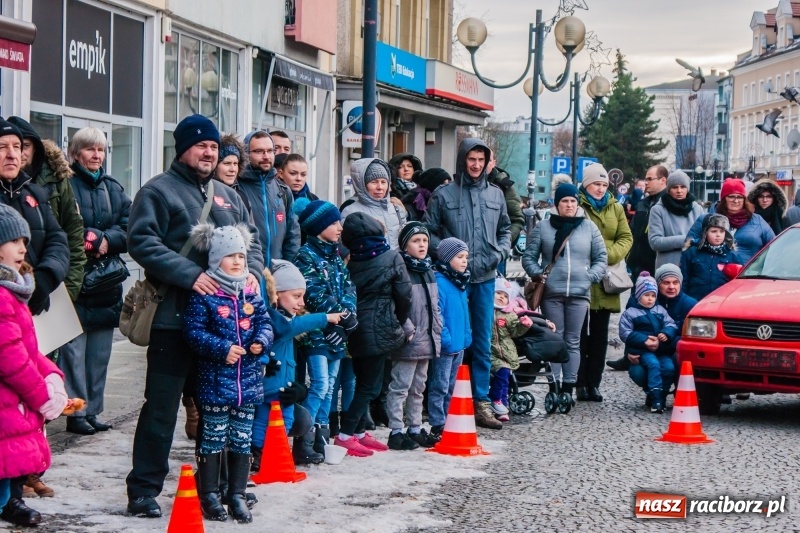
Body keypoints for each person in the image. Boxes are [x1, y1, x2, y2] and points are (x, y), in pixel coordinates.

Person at [125, 115, 263, 519]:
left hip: (222, 327)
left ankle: (215, 490)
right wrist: (192, 275)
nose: (208, 153)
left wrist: (254, 274)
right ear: (182, 148)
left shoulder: (229, 194)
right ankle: (143, 490)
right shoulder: (157, 191)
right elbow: (141, 242)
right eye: (201, 145)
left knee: (216, 410)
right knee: (161, 409)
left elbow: (251, 242)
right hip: (172, 320)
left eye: (214, 147)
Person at [183, 223, 273, 524]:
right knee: (213, 436)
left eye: (241, 256)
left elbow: (265, 323)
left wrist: (261, 341)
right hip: (215, 383)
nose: (237, 262)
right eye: (230, 256)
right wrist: (222, 349)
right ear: (215, 258)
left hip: (247, 383)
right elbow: (194, 332)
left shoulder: (250, 292)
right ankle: (209, 493)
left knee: (241, 438)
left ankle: (236, 493)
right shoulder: (206, 293)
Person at [423, 138, 511, 429]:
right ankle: (444, 401)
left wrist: (500, 252)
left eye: (481, 160)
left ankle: (481, 401)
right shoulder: (443, 195)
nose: (476, 165)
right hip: (452, 282)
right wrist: (448, 254)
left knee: (483, 342)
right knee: (452, 341)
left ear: (487, 163)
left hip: (485, 277)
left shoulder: (496, 194)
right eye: (471, 159)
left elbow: (506, 229)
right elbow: (428, 232)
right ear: (462, 160)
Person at [58, 127, 131, 437]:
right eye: (90, 149)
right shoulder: (64, 185)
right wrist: (84, 239)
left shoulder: (113, 188)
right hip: (74, 280)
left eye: (101, 150)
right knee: (73, 354)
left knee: (99, 355)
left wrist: (105, 239)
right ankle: (75, 413)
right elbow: (58, 227)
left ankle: (93, 410)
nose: (96, 155)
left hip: (105, 283)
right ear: (76, 154)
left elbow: (129, 227)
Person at [0, 205, 68, 528]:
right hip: (7, 393)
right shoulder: (2, 297)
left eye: (24, 241)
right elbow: (10, 359)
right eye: (14, 241)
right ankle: (7, 502)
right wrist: (41, 395)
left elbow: (27, 348)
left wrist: (52, 374)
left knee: (11, 450)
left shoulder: (13, 290)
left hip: (13, 396)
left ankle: (10, 499)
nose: (23, 249)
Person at [334, 212, 412, 456]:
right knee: (369, 387)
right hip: (380, 329)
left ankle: (358, 432)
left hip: (356, 329)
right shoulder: (392, 257)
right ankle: (346, 434)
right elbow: (404, 295)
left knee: (362, 382)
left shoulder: (350, 261)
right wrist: (399, 322)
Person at [250, 260, 342, 467]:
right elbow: (293, 327)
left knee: (272, 420)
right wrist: (325, 318)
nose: (301, 303)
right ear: (277, 294)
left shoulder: (281, 319)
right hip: (274, 385)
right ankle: (264, 453)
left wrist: (300, 389)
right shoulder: (277, 320)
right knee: (275, 420)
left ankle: (264, 452)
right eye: (296, 296)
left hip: (281, 386)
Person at [522, 183, 607, 405]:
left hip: (580, 292)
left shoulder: (589, 227)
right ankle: (554, 385)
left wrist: (590, 276)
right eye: (564, 201)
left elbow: (601, 257)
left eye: (572, 201)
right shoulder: (543, 227)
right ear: (557, 204)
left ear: (577, 203)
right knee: (555, 338)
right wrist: (539, 274)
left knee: (573, 340)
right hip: (552, 292)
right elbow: (529, 256)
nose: (569, 205)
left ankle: (569, 386)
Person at [293, 201, 358, 454]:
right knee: (319, 383)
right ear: (319, 226)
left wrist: (348, 317)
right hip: (317, 331)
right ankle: (304, 438)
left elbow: (349, 287)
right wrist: (339, 317)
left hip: (337, 331)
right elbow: (313, 292)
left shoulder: (335, 255)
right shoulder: (306, 255)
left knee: (330, 385)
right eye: (334, 223)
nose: (340, 227)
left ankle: (321, 435)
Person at [8, 116, 85, 304]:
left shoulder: (56, 179)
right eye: (13, 146)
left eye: (24, 146)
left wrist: (67, 292)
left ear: (36, 148)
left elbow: (71, 237)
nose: (19, 153)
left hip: (53, 288)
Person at [0, 119, 69, 319]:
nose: (12, 154)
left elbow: (57, 239)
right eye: (2, 147)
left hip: (37, 312)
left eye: (17, 147)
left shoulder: (35, 193)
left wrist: (45, 279)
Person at [575, 163, 632, 402]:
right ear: (586, 184)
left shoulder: (615, 207)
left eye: (603, 184)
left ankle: (594, 384)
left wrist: (607, 255)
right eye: (595, 184)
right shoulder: (576, 205)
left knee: (599, 335)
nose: (600, 189)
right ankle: (579, 382)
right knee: (579, 334)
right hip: (581, 277)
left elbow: (626, 237)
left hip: (606, 279)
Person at [386, 222, 441, 450]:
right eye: (416, 241)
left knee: (419, 387)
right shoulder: (401, 270)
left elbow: (435, 305)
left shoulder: (428, 269)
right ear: (404, 245)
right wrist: (407, 329)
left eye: (425, 240)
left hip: (426, 338)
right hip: (409, 339)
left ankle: (415, 427)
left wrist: (437, 328)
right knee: (400, 386)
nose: (422, 245)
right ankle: (396, 430)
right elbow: (396, 304)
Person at [429, 238, 472, 440]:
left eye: (466, 257)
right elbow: (438, 313)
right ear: (447, 259)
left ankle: (449, 419)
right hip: (446, 345)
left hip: (459, 344)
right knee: (440, 385)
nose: (464, 261)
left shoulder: (460, 282)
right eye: (459, 257)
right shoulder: (440, 282)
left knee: (452, 386)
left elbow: (464, 312)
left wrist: (466, 335)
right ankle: (437, 422)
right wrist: (444, 338)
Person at [238, 130, 301, 266]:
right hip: (247, 272)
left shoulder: (283, 190)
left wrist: (287, 267)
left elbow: (292, 235)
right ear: (246, 154)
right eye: (259, 151)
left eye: (270, 151)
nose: (266, 156)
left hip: (277, 272)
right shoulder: (235, 189)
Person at [618, 272, 678, 413]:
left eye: (653, 296)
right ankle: (655, 398)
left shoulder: (660, 310)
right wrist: (644, 340)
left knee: (669, 368)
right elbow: (625, 333)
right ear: (639, 295)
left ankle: (662, 396)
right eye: (646, 295)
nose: (650, 299)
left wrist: (666, 333)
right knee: (654, 366)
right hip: (644, 350)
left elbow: (671, 324)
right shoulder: (631, 313)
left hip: (661, 350)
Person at [686, 178, 774, 264]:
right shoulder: (705, 219)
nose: (736, 201)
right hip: (712, 272)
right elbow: (689, 247)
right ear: (724, 199)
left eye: (740, 197)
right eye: (731, 196)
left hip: (748, 272)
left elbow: (773, 247)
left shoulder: (757, 220)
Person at [490, 278, 533, 421]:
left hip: (506, 352)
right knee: (502, 375)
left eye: (505, 296)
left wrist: (523, 326)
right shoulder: (487, 311)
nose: (501, 297)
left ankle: (503, 406)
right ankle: (495, 400)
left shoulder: (509, 314)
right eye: (498, 293)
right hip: (492, 351)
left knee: (505, 380)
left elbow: (515, 332)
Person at [341, 158, 407, 251]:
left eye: (383, 182)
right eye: (374, 182)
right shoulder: (351, 211)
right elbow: (344, 246)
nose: (380, 187)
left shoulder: (397, 209)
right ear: (363, 185)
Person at [647, 170, 705, 270]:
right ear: (669, 189)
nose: (679, 191)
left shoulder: (697, 209)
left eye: (683, 187)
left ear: (687, 189)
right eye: (675, 187)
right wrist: (687, 240)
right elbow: (655, 242)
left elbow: (703, 237)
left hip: (693, 265)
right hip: (668, 267)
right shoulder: (658, 210)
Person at [680, 214, 744, 301]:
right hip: (695, 300)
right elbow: (683, 279)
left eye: (722, 231)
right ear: (705, 232)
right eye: (714, 231)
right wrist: (684, 300)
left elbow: (739, 282)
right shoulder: (692, 252)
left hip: (722, 301)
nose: (718, 235)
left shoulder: (732, 254)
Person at [628, 165, 668, 281]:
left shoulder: (669, 204)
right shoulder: (643, 203)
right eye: (646, 179)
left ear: (663, 180)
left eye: (650, 179)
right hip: (637, 267)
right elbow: (632, 231)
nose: (646, 183)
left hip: (657, 267)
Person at [212, 134, 251, 214]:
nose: (233, 169)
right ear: (215, 166)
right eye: (227, 163)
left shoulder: (242, 197)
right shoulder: (205, 194)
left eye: (235, 163)